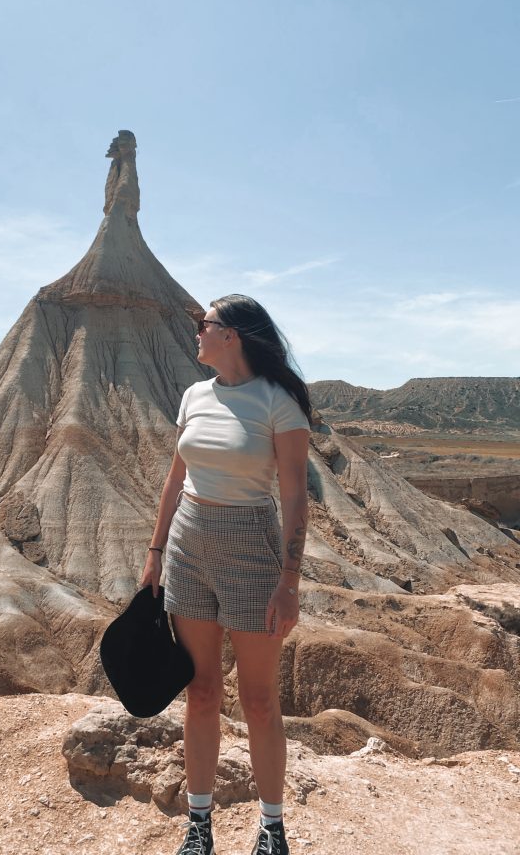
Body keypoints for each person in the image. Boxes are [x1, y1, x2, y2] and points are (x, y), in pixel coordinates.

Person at [141, 294, 311, 855]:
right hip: (189, 545)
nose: (197, 332)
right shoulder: (194, 396)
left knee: (258, 699)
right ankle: (199, 825)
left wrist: (289, 581)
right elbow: (175, 480)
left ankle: (272, 828)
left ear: (231, 335)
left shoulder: (278, 402)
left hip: (252, 549)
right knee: (201, 691)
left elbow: (295, 497)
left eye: (204, 324)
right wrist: (156, 550)